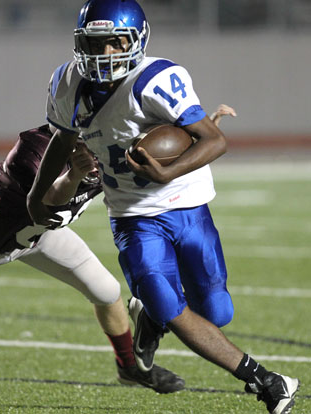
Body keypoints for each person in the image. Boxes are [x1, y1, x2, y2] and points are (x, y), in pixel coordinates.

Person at [26, 1, 300, 412]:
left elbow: (215, 140)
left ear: (136, 40)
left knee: (216, 312)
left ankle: (150, 318)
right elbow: (62, 141)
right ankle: (264, 381)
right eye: (95, 44)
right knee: (170, 303)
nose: (104, 55)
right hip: (133, 215)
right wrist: (36, 192)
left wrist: (168, 173)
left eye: (115, 43)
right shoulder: (67, 82)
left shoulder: (156, 78)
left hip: (187, 205)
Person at [0, 124, 186, 394]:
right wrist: (74, 176)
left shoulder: (109, 148)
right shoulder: (34, 148)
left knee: (106, 290)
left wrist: (192, 140)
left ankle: (130, 368)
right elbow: (45, 203)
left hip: (37, 236)